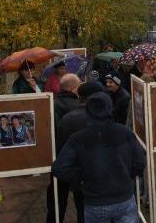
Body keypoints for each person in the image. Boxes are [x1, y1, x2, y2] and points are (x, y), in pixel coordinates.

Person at [52, 92, 146, 223]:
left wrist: (82, 177)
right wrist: (126, 175)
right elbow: (140, 161)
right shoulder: (125, 133)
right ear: (109, 108)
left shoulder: (78, 138)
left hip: (95, 202)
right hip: (123, 199)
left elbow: (59, 168)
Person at [48, 82, 103, 223]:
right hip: (87, 174)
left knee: (58, 204)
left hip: (65, 167)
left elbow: (59, 143)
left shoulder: (67, 118)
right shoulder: (97, 118)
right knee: (84, 209)